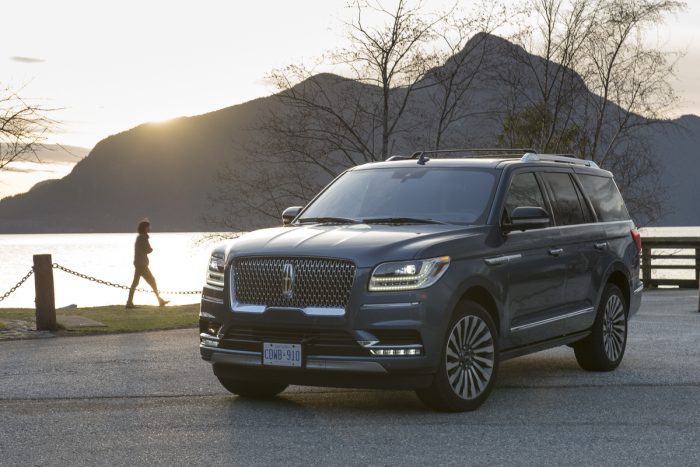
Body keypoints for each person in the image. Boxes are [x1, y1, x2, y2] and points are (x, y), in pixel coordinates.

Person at [126, 219, 169, 308]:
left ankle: (129, 302)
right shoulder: (143, 237)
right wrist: (151, 249)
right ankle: (160, 300)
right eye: (148, 227)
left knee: (135, 283)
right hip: (142, 264)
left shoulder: (140, 237)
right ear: (145, 228)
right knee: (152, 281)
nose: (150, 228)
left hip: (139, 263)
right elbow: (148, 250)